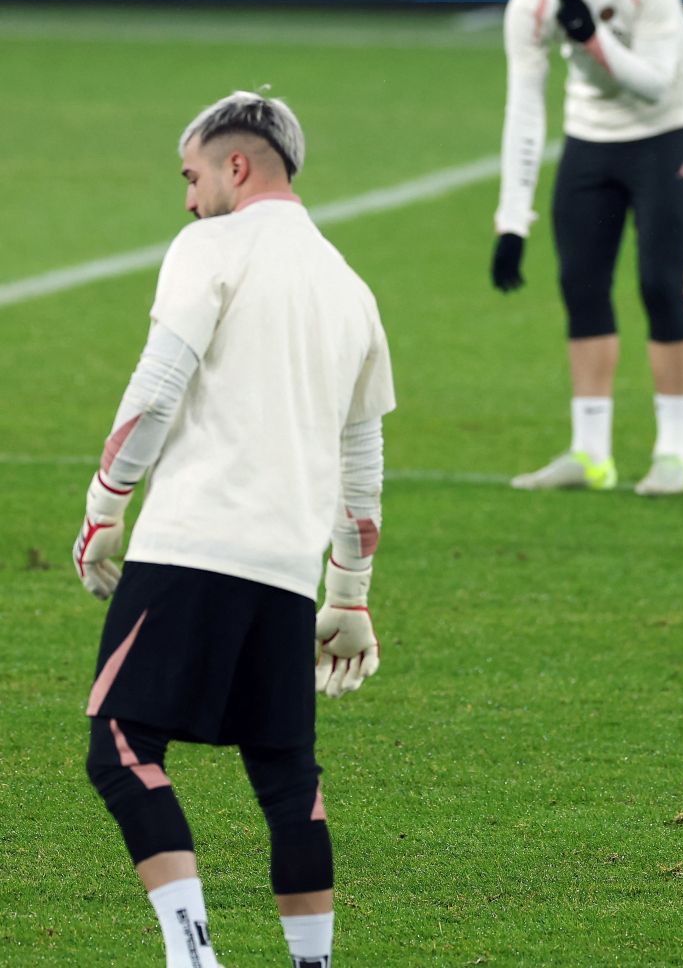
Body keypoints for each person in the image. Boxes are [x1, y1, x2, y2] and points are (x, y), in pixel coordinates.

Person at [73, 90, 394, 968]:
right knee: (286, 776)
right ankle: (313, 964)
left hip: (192, 543)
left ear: (236, 165)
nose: (187, 198)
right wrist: (350, 597)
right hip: (286, 571)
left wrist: (106, 506)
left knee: (122, 743)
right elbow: (361, 464)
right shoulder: (350, 287)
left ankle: (192, 953)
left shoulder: (209, 246)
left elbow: (155, 388)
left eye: (192, 175)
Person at [492, 0, 683, 495]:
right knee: (580, 284)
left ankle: (673, 455)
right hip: (589, 139)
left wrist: (593, 41)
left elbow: (656, 86)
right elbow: (525, 108)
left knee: (661, 285)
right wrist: (513, 219)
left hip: (665, 134)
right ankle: (590, 454)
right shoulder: (530, 2)